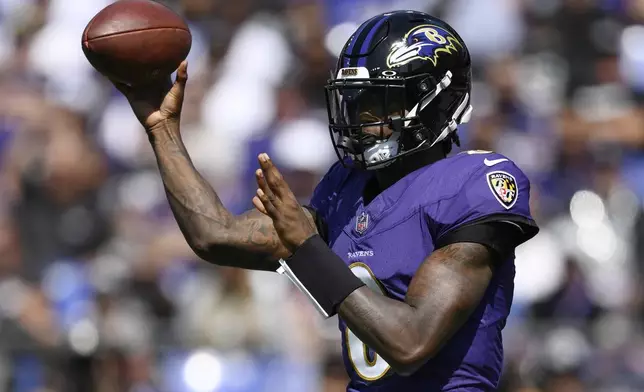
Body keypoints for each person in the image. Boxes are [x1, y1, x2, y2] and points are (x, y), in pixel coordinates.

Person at [113, 10, 539, 392]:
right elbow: (214, 235)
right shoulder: (347, 184)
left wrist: (308, 250)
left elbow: (410, 343)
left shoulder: (474, 185)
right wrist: (162, 129)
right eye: (353, 101)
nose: (357, 117)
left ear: (433, 100)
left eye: (376, 102)